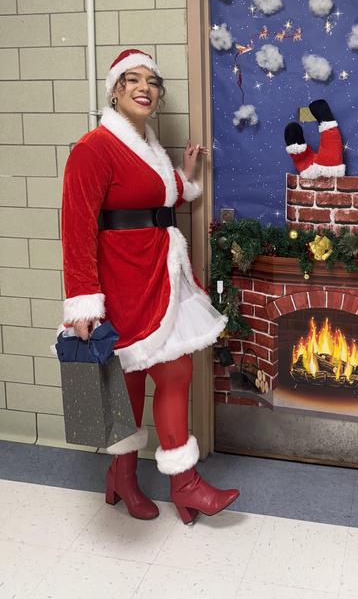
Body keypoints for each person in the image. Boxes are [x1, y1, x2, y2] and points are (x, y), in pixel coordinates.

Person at [61, 48, 240, 524]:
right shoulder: (93, 148)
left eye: (152, 82)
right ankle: (127, 476)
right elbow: (76, 226)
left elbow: (158, 195)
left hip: (159, 275)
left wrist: (187, 176)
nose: (145, 88)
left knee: (173, 373)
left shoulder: (150, 147)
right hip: (120, 281)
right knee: (130, 380)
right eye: (133, 79)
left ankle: (181, 483)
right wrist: (83, 302)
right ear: (115, 90)